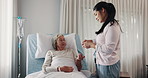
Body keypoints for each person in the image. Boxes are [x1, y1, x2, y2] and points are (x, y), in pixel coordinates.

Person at [82, 1, 121, 78]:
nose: (96, 18)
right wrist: (92, 41)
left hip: (108, 66)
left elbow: (109, 49)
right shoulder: (107, 26)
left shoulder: (112, 27)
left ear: (103, 10)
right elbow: (102, 41)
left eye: (96, 14)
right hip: (103, 64)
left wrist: (92, 45)